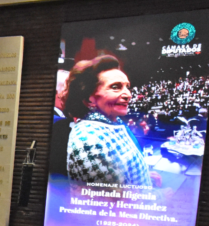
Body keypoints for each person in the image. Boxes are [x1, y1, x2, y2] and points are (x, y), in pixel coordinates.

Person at [64, 55, 151, 187]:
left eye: (127, 87)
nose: (128, 94)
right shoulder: (89, 139)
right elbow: (115, 200)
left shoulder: (112, 122)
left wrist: (144, 175)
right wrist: (162, 196)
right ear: (89, 99)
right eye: (116, 87)